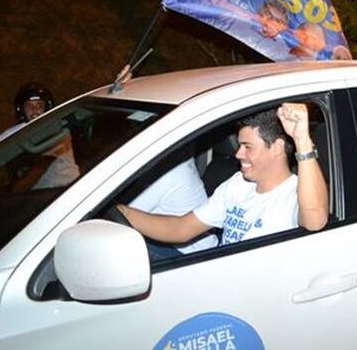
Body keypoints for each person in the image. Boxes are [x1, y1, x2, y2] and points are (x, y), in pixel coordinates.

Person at [117, 103, 329, 246]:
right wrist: (120, 213)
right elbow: (182, 228)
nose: (238, 154)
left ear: (276, 147)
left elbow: (315, 220)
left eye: (247, 146)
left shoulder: (295, 193)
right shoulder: (238, 184)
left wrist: (302, 139)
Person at [128, 157, 219, 256]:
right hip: (187, 244)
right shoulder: (177, 163)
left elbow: (123, 215)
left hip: (189, 253)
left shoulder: (168, 174)